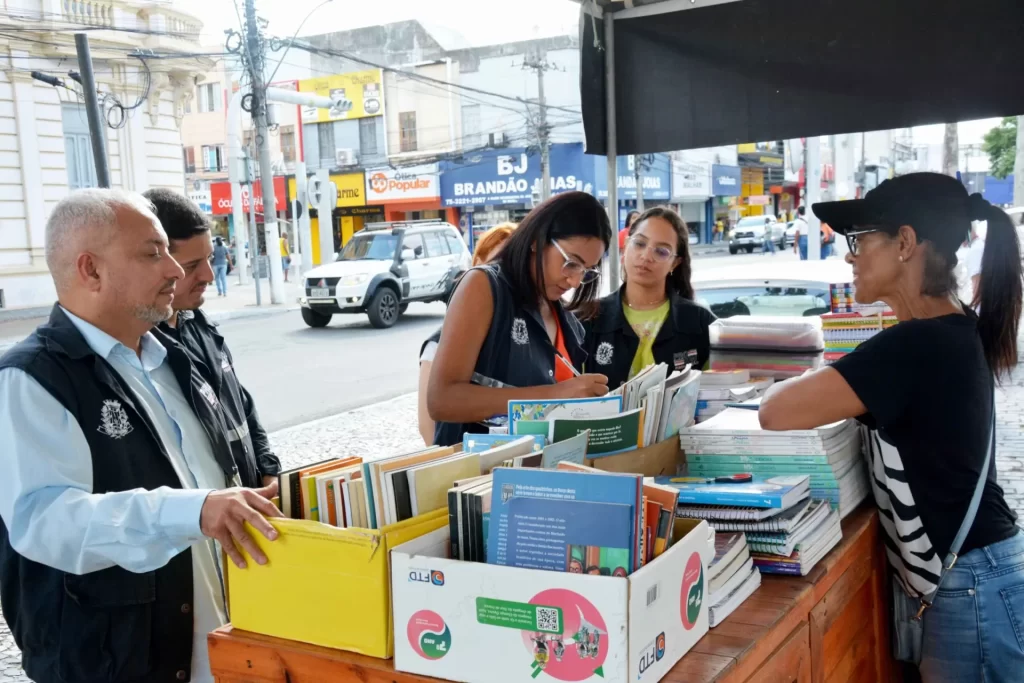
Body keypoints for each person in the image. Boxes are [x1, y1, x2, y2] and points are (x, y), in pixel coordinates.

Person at [0, 189, 282, 683]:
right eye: (153, 254)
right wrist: (192, 510)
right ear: (90, 270)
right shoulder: (32, 378)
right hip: (118, 664)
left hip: (221, 649)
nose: (174, 270)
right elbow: (46, 521)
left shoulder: (175, 356)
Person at [757, 173, 1023, 682]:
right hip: (981, 576)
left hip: (974, 589)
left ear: (905, 242)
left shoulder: (914, 345)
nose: (849, 256)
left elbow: (775, 410)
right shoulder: (952, 328)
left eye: (859, 240)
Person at [427, 191, 611, 447]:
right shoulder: (483, 286)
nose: (575, 281)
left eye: (586, 271)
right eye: (571, 263)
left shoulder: (566, 320)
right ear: (537, 239)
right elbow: (441, 400)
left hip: (539, 468)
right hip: (477, 467)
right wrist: (554, 395)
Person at [144, 188, 281, 489]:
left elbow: (242, 406)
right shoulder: (141, 349)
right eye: (192, 266)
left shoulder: (201, 324)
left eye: (208, 258)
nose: (208, 275)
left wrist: (266, 466)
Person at [581, 207, 715, 390]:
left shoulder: (700, 322)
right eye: (639, 243)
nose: (646, 256)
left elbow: (723, 389)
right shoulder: (588, 318)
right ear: (625, 246)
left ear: (675, 263)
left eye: (661, 251)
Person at [417, 223, 516, 445]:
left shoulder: (519, 337)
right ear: (478, 264)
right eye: (496, 263)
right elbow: (428, 428)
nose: (504, 275)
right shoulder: (439, 342)